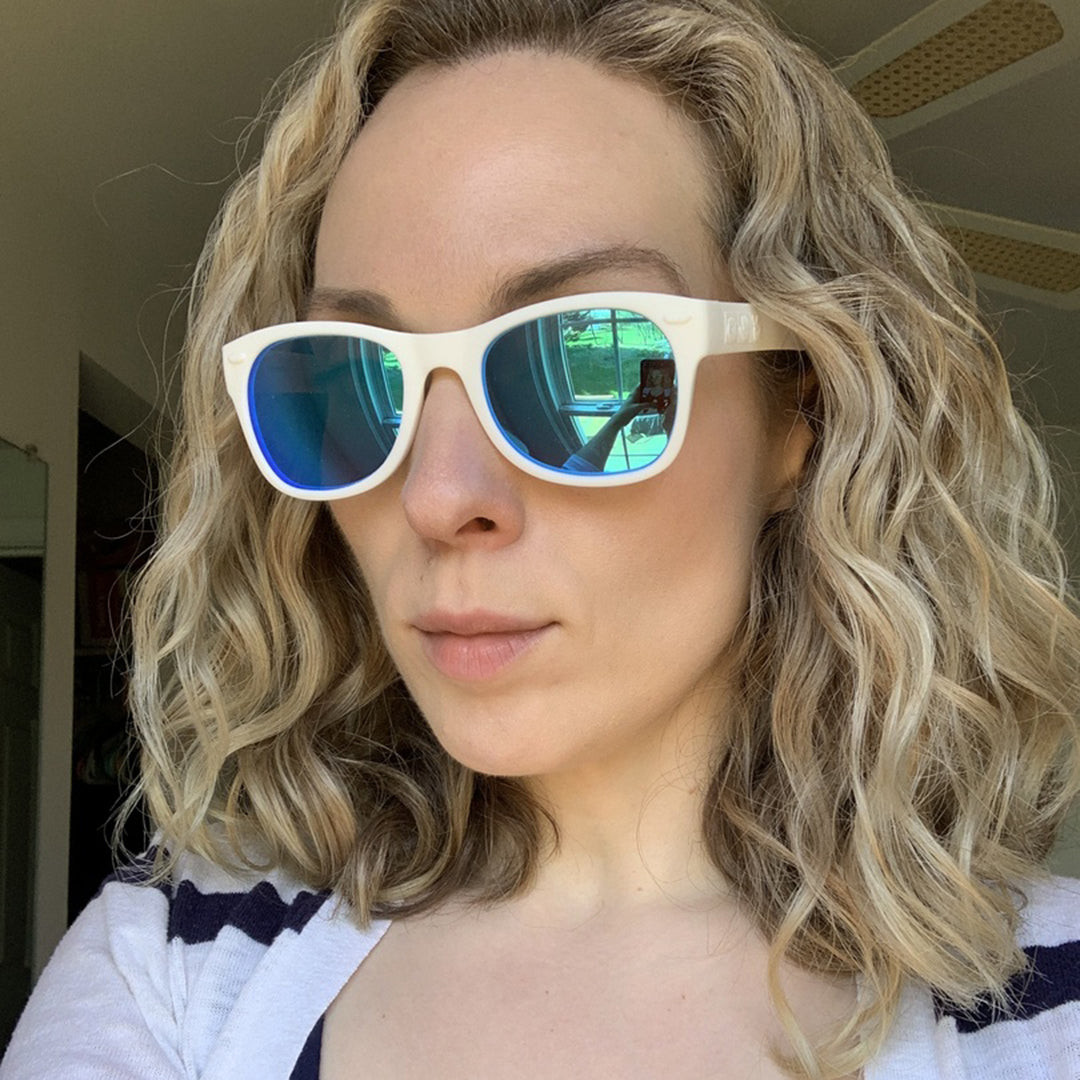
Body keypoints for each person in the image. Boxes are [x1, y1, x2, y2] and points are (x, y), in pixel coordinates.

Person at [5, 0, 1080, 1077]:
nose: (438, 496)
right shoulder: (176, 966)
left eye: (586, 362)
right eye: (351, 377)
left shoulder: (1042, 1011)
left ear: (799, 411)